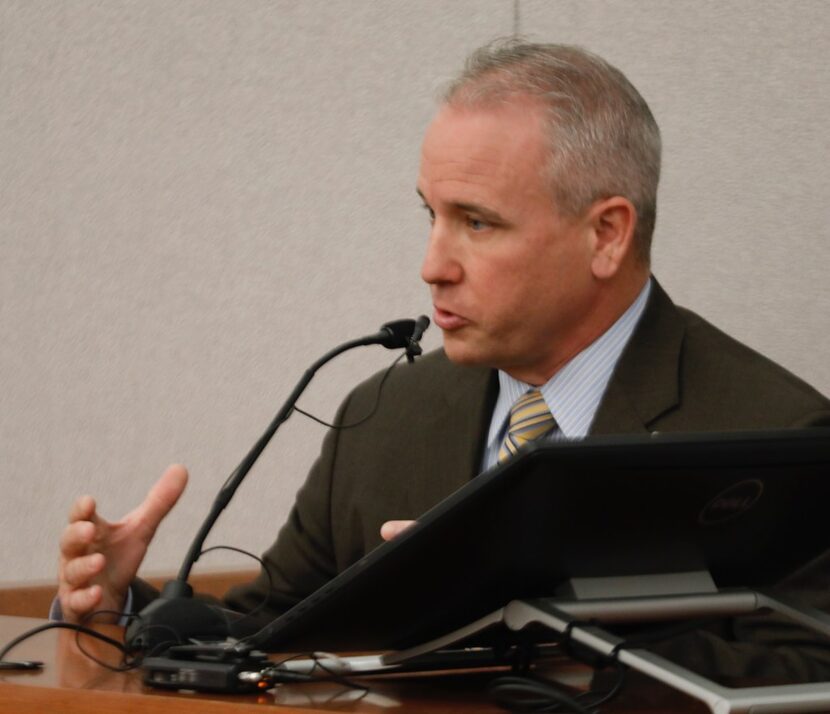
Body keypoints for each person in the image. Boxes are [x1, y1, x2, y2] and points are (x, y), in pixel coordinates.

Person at [57, 40, 830, 681]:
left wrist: (530, 621)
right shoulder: (379, 417)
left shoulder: (779, 430)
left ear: (607, 235)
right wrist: (121, 615)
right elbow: (265, 634)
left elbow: (807, 667)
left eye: (477, 223)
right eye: (432, 215)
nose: (433, 265)